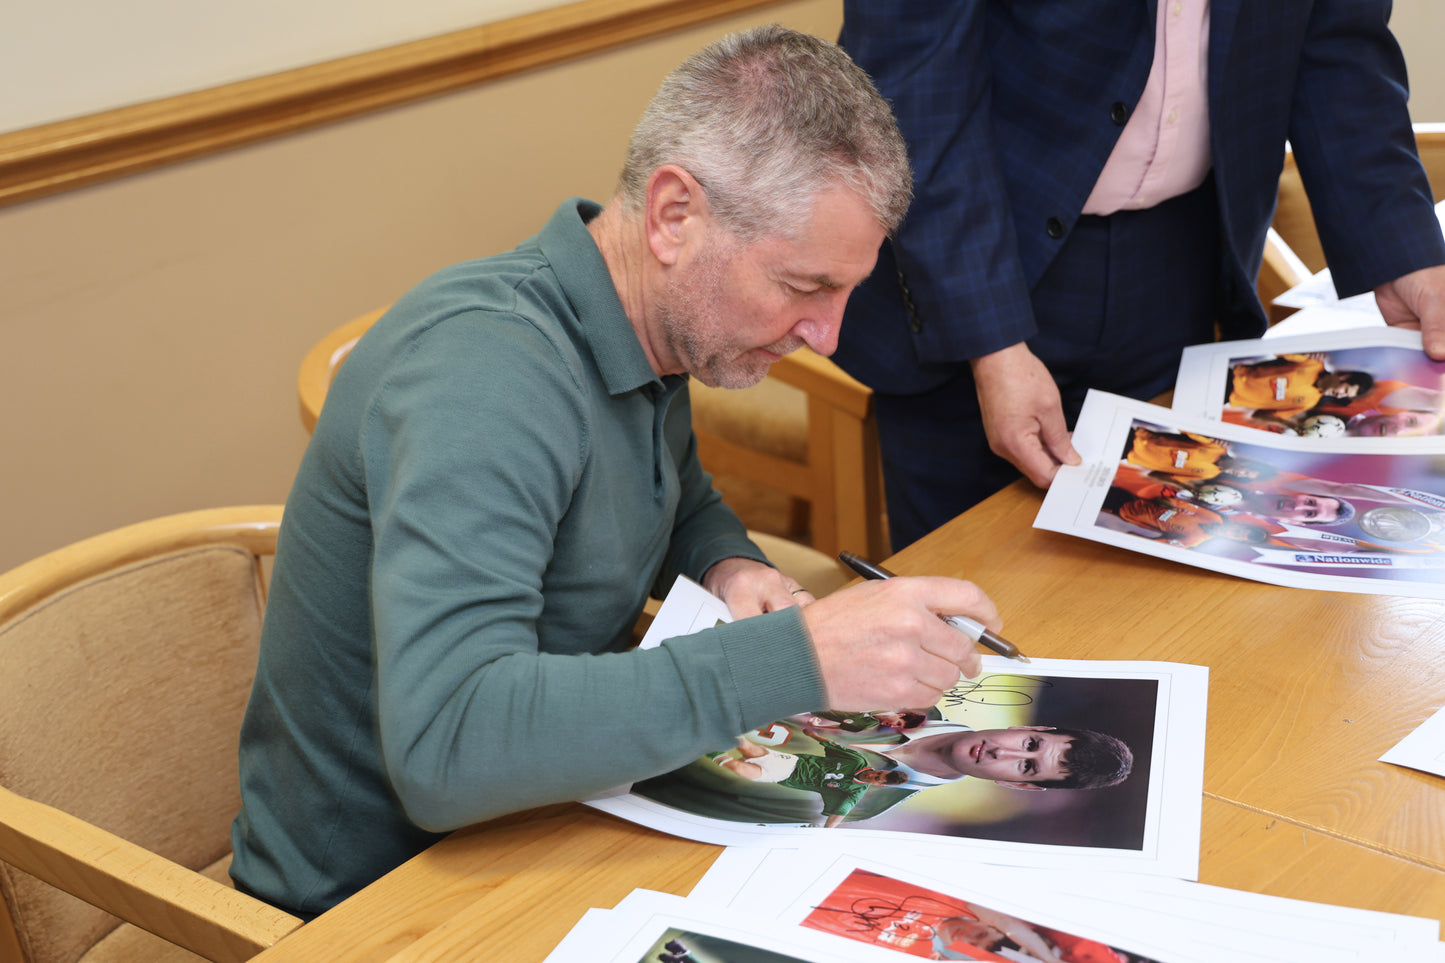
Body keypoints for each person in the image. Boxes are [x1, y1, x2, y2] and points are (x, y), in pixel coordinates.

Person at [229, 26, 1003, 919]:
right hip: (382, 902)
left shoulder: (651, 325)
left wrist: (727, 561)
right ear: (675, 215)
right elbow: (446, 744)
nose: (827, 336)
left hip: (545, 823)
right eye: (801, 287)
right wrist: (795, 658)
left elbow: (675, 496)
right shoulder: (485, 381)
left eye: (845, 292)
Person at [832, 1, 1445, 550]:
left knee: (1177, 581)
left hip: (1184, 264)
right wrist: (989, 342)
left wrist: (1406, 255)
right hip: (967, 268)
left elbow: (1339, 47)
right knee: (969, 610)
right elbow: (915, 98)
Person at [714, 735, 908, 827]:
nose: (872, 775)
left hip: (784, 777)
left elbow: (839, 813)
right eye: (878, 773)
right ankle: (717, 725)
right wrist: (812, 733)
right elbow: (830, 744)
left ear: (880, 785)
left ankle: (707, 748)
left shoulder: (855, 791)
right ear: (881, 770)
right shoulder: (857, 761)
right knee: (745, 747)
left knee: (739, 768)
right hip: (791, 763)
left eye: (877, 779)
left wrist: (824, 833)